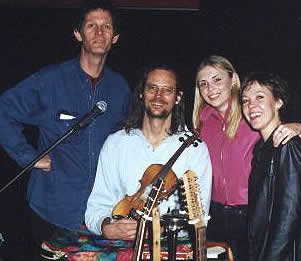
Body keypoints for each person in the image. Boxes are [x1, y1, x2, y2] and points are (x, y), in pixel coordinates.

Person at [0, 0, 130, 257]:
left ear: (115, 37)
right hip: (52, 209)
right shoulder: (50, 80)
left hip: (100, 212)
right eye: (91, 25)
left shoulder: (120, 88)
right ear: (78, 33)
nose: (99, 32)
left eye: (106, 27)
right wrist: (28, 157)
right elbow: (3, 110)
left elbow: (128, 140)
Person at [192, 55, 301, 261]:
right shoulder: (203, 122)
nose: (210, 88)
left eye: (217, 79)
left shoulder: (252, 111)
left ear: (233, 80)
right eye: (203, 83)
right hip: (215, 214)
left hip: (249, 214)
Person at [85, 64, 212, 242]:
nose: (158, 96)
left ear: (178, 97)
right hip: (123, 245)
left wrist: (158, 231)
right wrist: (106, 227)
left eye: (167, 90)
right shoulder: (116, 143)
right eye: (152, 88)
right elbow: (98, 205)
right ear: (141, 94)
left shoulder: (195, 148)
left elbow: (200, 216)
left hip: (172, 246)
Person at [241, 72, 301, 261]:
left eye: (260, 97)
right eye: (245, 101)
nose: (251, 106)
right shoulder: (262, 149)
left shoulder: (287, 144)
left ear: (278, 102)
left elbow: (289, 215)